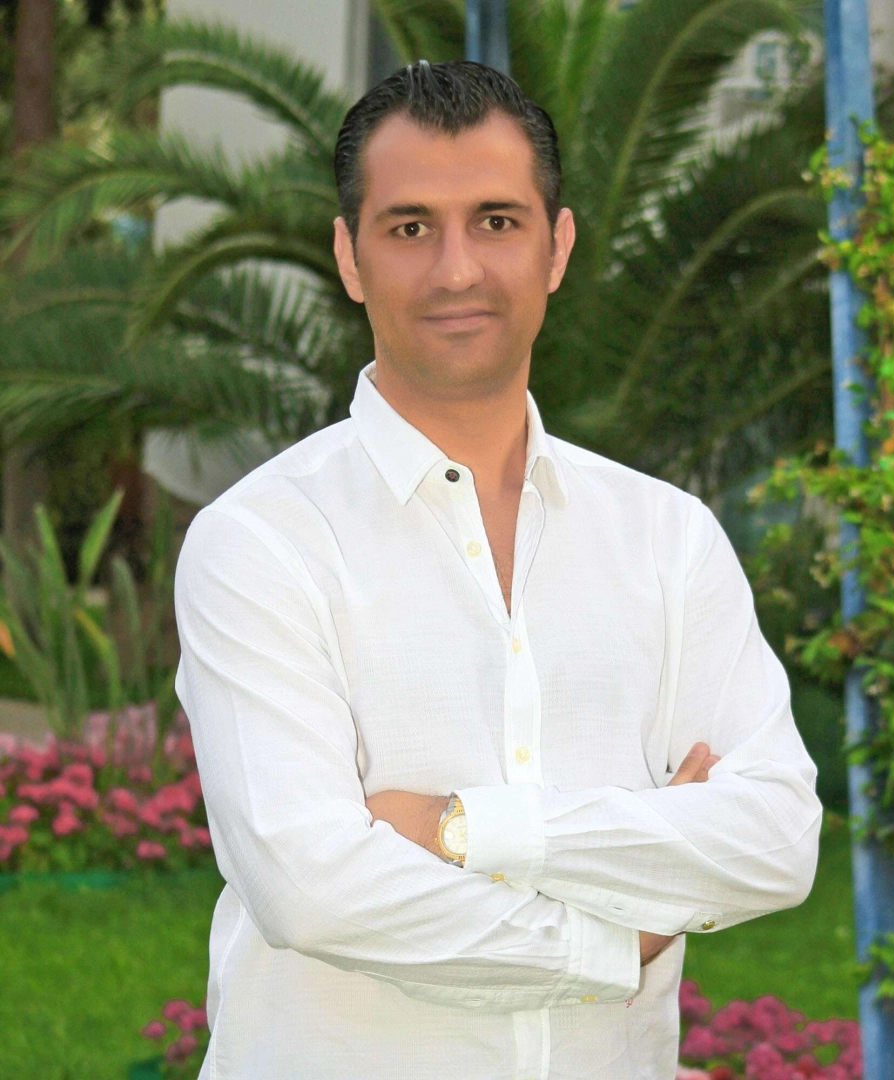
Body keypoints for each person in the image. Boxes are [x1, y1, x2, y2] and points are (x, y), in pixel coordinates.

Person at [173, 59, 823, 1080]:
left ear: (556, 247)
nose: (457, 270)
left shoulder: (668, 538)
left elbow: (776, 838)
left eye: (497, 222)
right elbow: (312, 888)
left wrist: (462, 829)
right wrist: (616, 940)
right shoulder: (261, 542)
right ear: (349, 256)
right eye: (409, 227)